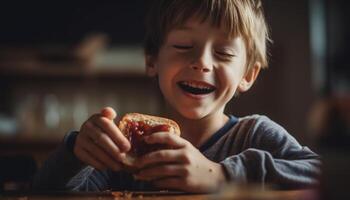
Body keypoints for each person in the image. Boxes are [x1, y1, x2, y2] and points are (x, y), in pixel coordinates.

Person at [33, 0, 321, 193]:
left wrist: (219, 175)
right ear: (151, 60)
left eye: (224, 53)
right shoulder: (126, 146)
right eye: (183, 46)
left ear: (247, 75)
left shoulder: (254, 134)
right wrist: (76, 153)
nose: (202, 63)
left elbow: (323, 175)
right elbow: (46, 192)